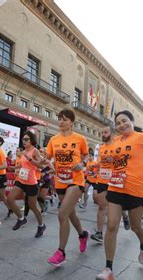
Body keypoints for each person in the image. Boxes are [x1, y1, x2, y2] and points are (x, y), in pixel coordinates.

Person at [96, 110, 143, 280]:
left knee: (135, 227)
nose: (121, 125)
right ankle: (108, 269)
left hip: (136, 190)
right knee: (112, 226)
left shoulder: (141, 137)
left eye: (124, 121)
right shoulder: (115, 142)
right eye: (118, 123)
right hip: (115, 187)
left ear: (132, 121)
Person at [46, 109, 90, 267]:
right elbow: (48, 158)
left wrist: (83, 164)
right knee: (71, 214)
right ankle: (83, 234)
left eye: (65, 119)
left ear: (72, 122)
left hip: (76, 180)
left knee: (62, 214)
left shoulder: (80, 139)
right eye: (59, 119)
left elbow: (86, 155)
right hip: (60, 181)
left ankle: (61, 252)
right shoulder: (53, 140)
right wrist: (43, 162)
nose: (61, 122)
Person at [7, 131, 47, 237]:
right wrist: (13, 168)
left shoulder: (35, 151)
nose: (24, 141)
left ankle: (41, 225)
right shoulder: (24, 151)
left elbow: (41, 166)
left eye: (26, 139)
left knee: (32, 206)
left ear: (31, 140)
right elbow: (21, 165)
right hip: (21, 179)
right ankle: (21, 219)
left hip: (31, 182)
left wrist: (29, 158)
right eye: (23, 139)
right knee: (10, 199)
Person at [91, 125, 114, 243]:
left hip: (114, 181)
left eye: (105, 132)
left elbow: (124, 162)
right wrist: (94, 165)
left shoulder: (117, 146)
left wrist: (114, 160)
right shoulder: (101, 148)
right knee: (101, 206)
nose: (103, 135)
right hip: (102, 179)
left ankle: (124, 216)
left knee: (112, 208)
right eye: (102, 133)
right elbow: (100, 162)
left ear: (111, 134)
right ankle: (99, 233)